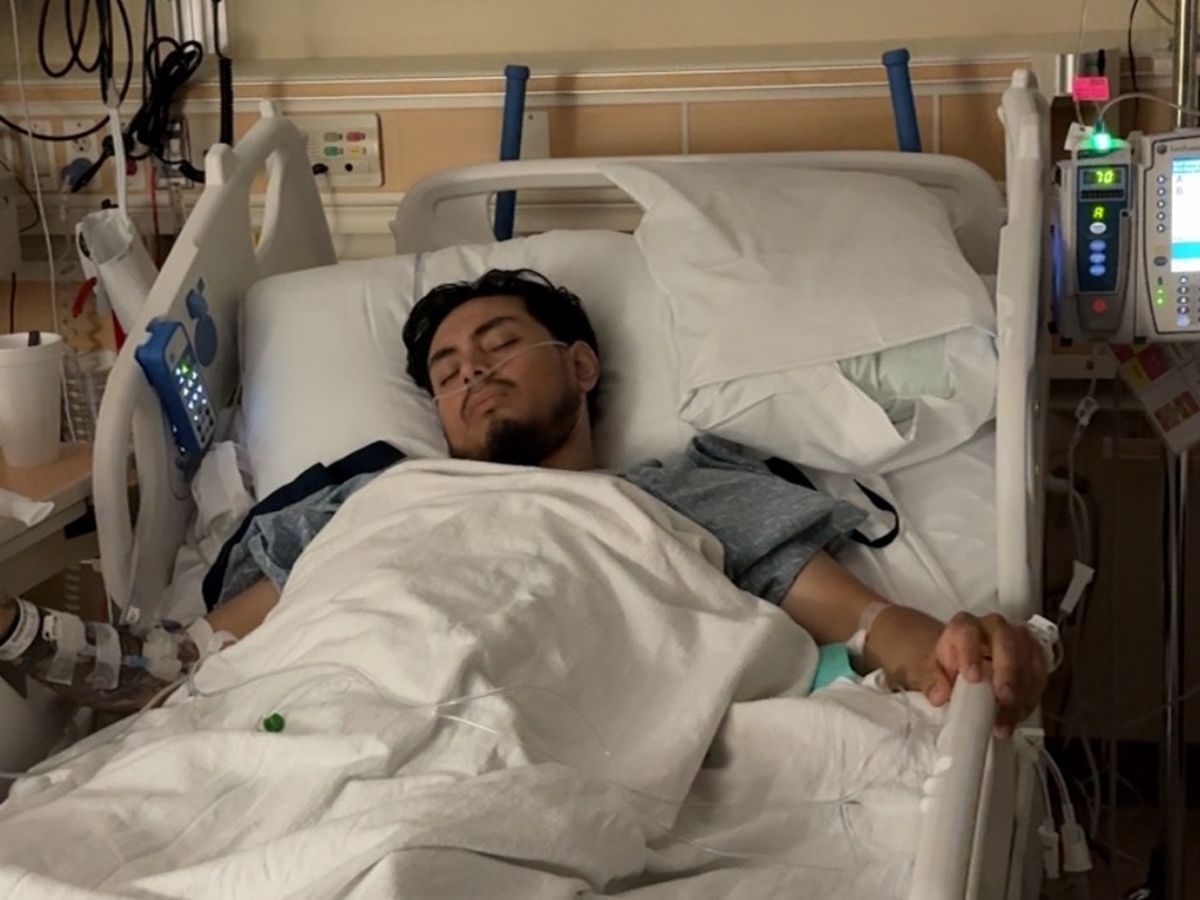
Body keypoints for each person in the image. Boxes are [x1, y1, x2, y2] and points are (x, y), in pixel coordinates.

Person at [0, 269, 1048, 733]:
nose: (470, 372)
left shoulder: (682, 496)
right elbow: (181, 667)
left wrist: (962, 653)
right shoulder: (377, 496)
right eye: (447, 369)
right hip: (310, 719)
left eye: (499, 344)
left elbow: (871, 627)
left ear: (581, 365)